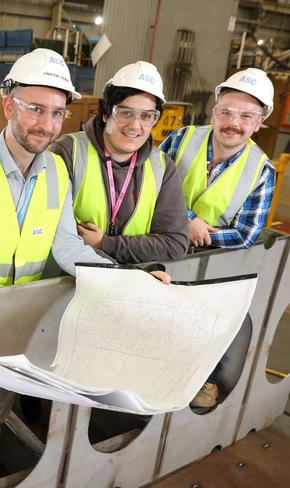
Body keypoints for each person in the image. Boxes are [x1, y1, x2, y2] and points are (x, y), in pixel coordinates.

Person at [0, 48, 113, 488]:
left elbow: (68, 245)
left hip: (22, 324)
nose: (46, 125)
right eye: (35, 109)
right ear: (9, 104)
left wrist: (128, 278)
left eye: (56, 113)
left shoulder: (58, 174)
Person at [160, 67, 276, 407]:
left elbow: (244, 234)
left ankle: (202, 381)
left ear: (259, 123)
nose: (232, 122)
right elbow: (148, 187)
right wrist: (189, 221)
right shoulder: (181, 139)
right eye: (225, 111)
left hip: (209, 265)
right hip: (158, 248)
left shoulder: (261, 171)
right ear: (213, 112)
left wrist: (193, 232)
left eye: (245, 116)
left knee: (208, 325)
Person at [50, 61, 188, 264]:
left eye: (147, 116)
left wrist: (105, 244)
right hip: (70, 282)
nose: (135, 125)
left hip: (131, 285)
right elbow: (57, 235)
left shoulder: (162, 167)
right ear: (106, 114)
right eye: (126, 113)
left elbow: (175, 245)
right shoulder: (68, 152)